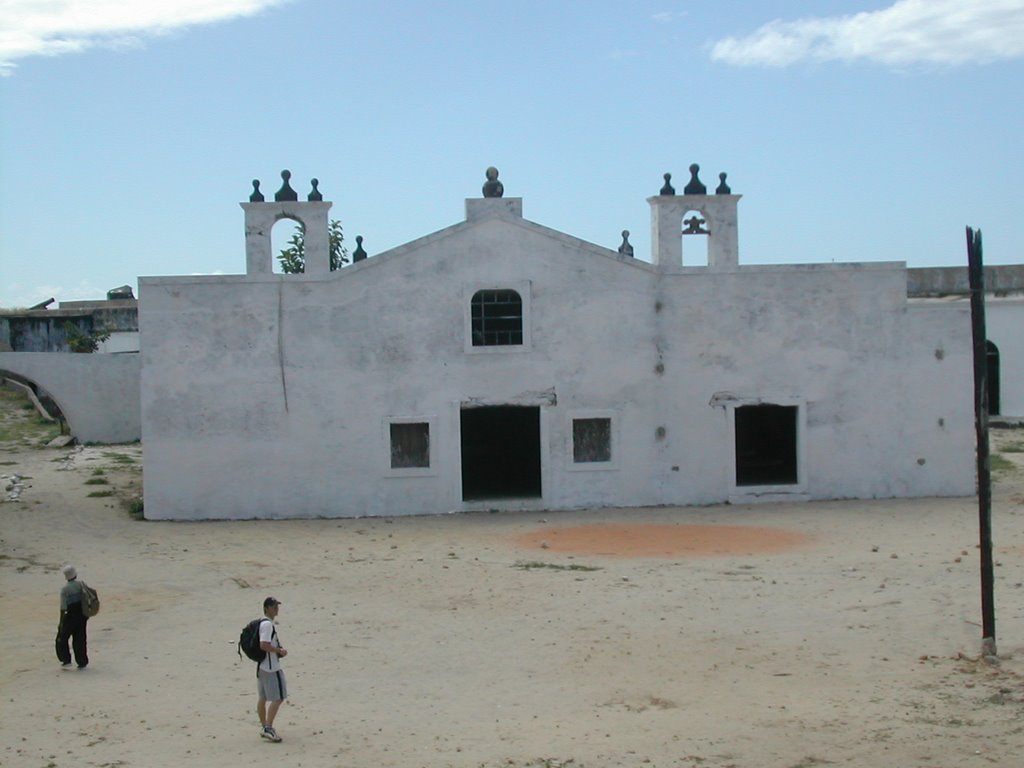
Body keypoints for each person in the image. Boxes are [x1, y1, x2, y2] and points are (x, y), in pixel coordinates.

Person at [256, 597, 288, 742]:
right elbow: (264, 645)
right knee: (279, 697)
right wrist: (278, 651)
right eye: (274, 607)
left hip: (261, 666)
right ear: (267, 608)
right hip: (271, 668)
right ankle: (268, 727)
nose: (277, 609)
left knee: (263, 697)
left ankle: (264, 727)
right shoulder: (267, 625)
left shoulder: (261, 622)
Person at [56, 565, 88, 669]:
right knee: (80, 638)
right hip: (82, 614)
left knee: (63, 637)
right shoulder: (81, 585)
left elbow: (63, 607)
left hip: (71, 614)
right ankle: (82, 661)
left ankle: (66, 660)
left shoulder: (65, 589)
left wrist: (61, 622)